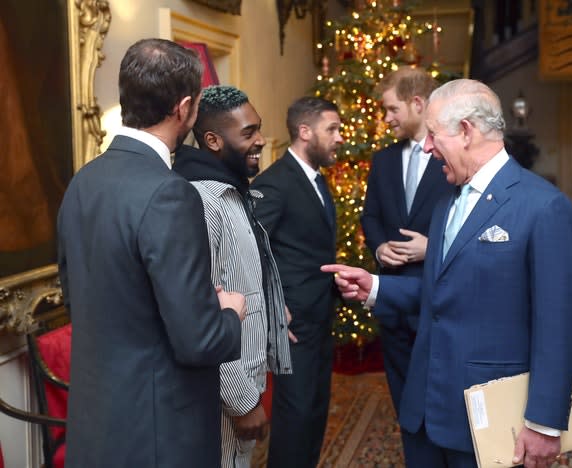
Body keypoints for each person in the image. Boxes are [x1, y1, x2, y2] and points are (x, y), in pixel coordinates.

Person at [323, 79, 572, 468]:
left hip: (492, 414)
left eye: (433, 135)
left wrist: (545, 422)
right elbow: (442, 292)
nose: (427, 147)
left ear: (466, 131)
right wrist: (375, 287)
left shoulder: (544, 208)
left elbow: (559, 324)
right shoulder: (448, 203)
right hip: (426, 407)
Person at [57, 38, 245, 468]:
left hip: (98, 424)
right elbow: (200, 340)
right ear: (184, 108)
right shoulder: (169, 193)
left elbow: (84, 298)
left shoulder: (82, 182)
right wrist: (229, 312)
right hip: (159, 433)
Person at [172, 85, 292, 467]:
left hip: (247, 380)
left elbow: (241, 282)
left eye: (258, 129)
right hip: (223, 395)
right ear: (212, 140)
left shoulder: (232, 191)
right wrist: (242, 402)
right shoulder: (204, 200)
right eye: (248, 133)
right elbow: (201, 310)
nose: (260, 141)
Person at [250, 97, 343, 468]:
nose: (339, 137)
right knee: (295, 416)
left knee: (314, 412)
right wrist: (271, 306)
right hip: (293, 324)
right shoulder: (276, 183)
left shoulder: (316, 180)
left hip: (319, 317)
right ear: (305, 132)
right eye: (332, 129)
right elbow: (249, 247)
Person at [360, 67, 454, 421]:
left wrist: (433, 247)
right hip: (392, 297)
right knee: (402, 392)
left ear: (417, 103)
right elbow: (370, 216)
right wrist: (379, 246)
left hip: (437, 295)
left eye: (391, 109)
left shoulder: (451, 155)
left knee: (439, 393)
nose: (386, 119)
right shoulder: (383, 160)